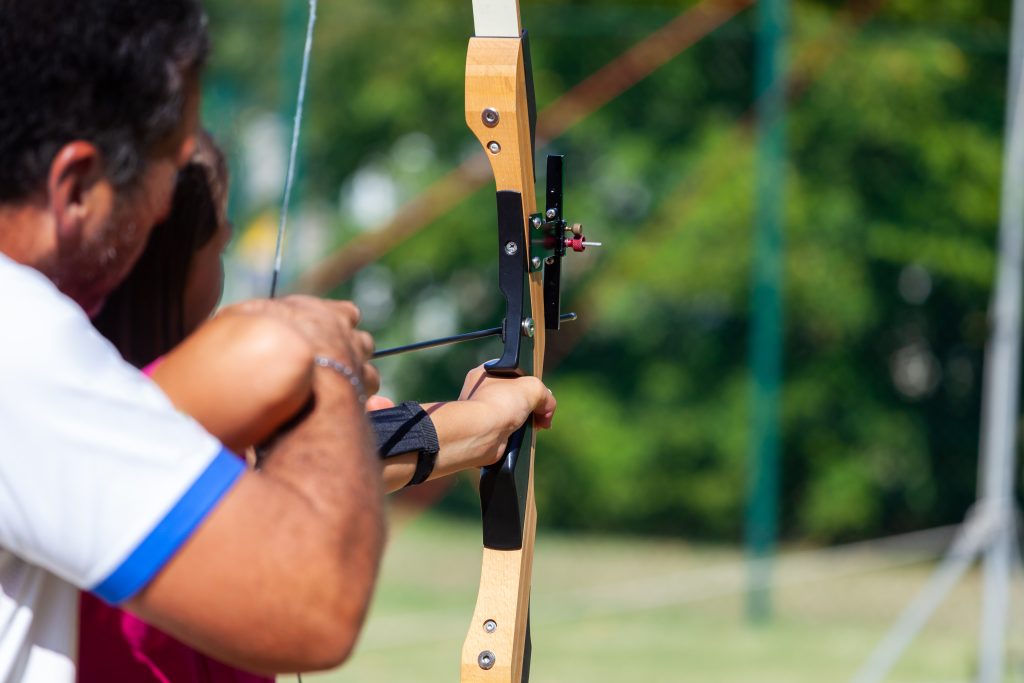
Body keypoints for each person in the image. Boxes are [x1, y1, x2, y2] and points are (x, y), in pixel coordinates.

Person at [0, 2, 555, 681]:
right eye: (165, 174)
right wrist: (323, 361)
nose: (167, 204)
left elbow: (247, 458)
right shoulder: (22, 350)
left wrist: (476, 422)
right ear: (77, 187)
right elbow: (311, 605)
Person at [80, 132, 556, 683]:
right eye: (222, 244)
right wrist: (329, 373)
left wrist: (481, 421)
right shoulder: (122, 421)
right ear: (177, 258)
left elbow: (281, 467)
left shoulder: (111, 413)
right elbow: (268, 493)